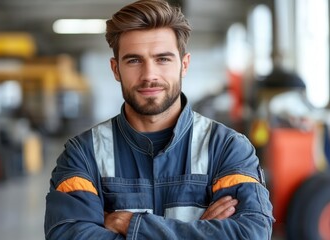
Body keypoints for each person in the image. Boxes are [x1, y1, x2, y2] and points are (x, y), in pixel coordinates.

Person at [44, 0, 274, 239]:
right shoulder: (83, 154)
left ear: (184, 65)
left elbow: (251, 233)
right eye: (134, 60)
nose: (149, 75)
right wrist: (201, 232)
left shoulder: (227, 148)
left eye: (163, 59)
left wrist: (130, 225)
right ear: (116, 69)